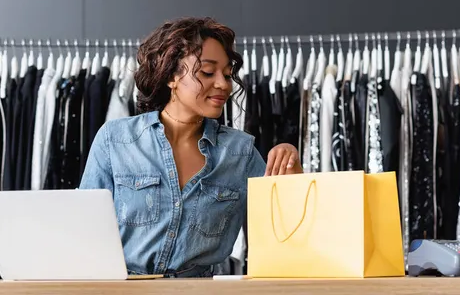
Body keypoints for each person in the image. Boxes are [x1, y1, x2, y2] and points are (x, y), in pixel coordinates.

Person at [79, 17, 303, 278]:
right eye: (208, 72)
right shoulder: (115, 140)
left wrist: (293, 174)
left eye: (228, 74)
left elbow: (283, 233)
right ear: (171, 76)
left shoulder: (240, 152)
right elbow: (85, 233)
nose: (223, 84)